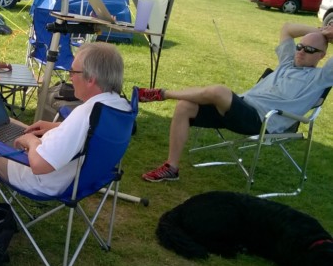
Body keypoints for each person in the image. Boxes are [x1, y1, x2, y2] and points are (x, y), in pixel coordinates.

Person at [0, 42, 131, 215]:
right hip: (70, 173)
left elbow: (39, 165)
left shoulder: (84, 114)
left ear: (91, 79)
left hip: (36, 176)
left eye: (73, 72)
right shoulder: (117, 106)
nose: (70, 77)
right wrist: (56, 127)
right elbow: (88, 135)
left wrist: (32, 142)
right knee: (3, 123)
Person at [140, 22, 333, 182]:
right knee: (185, 106)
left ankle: (162, 94)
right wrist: (320, 32)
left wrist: (327, 36)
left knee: (219, 91)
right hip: (240, 107)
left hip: (261, 121)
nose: (301, 51)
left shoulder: (321, 78)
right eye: (300, 46)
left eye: (309, 49)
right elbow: (287, 29)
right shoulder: (287, 62)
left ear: (321, 56)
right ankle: (171, 167)